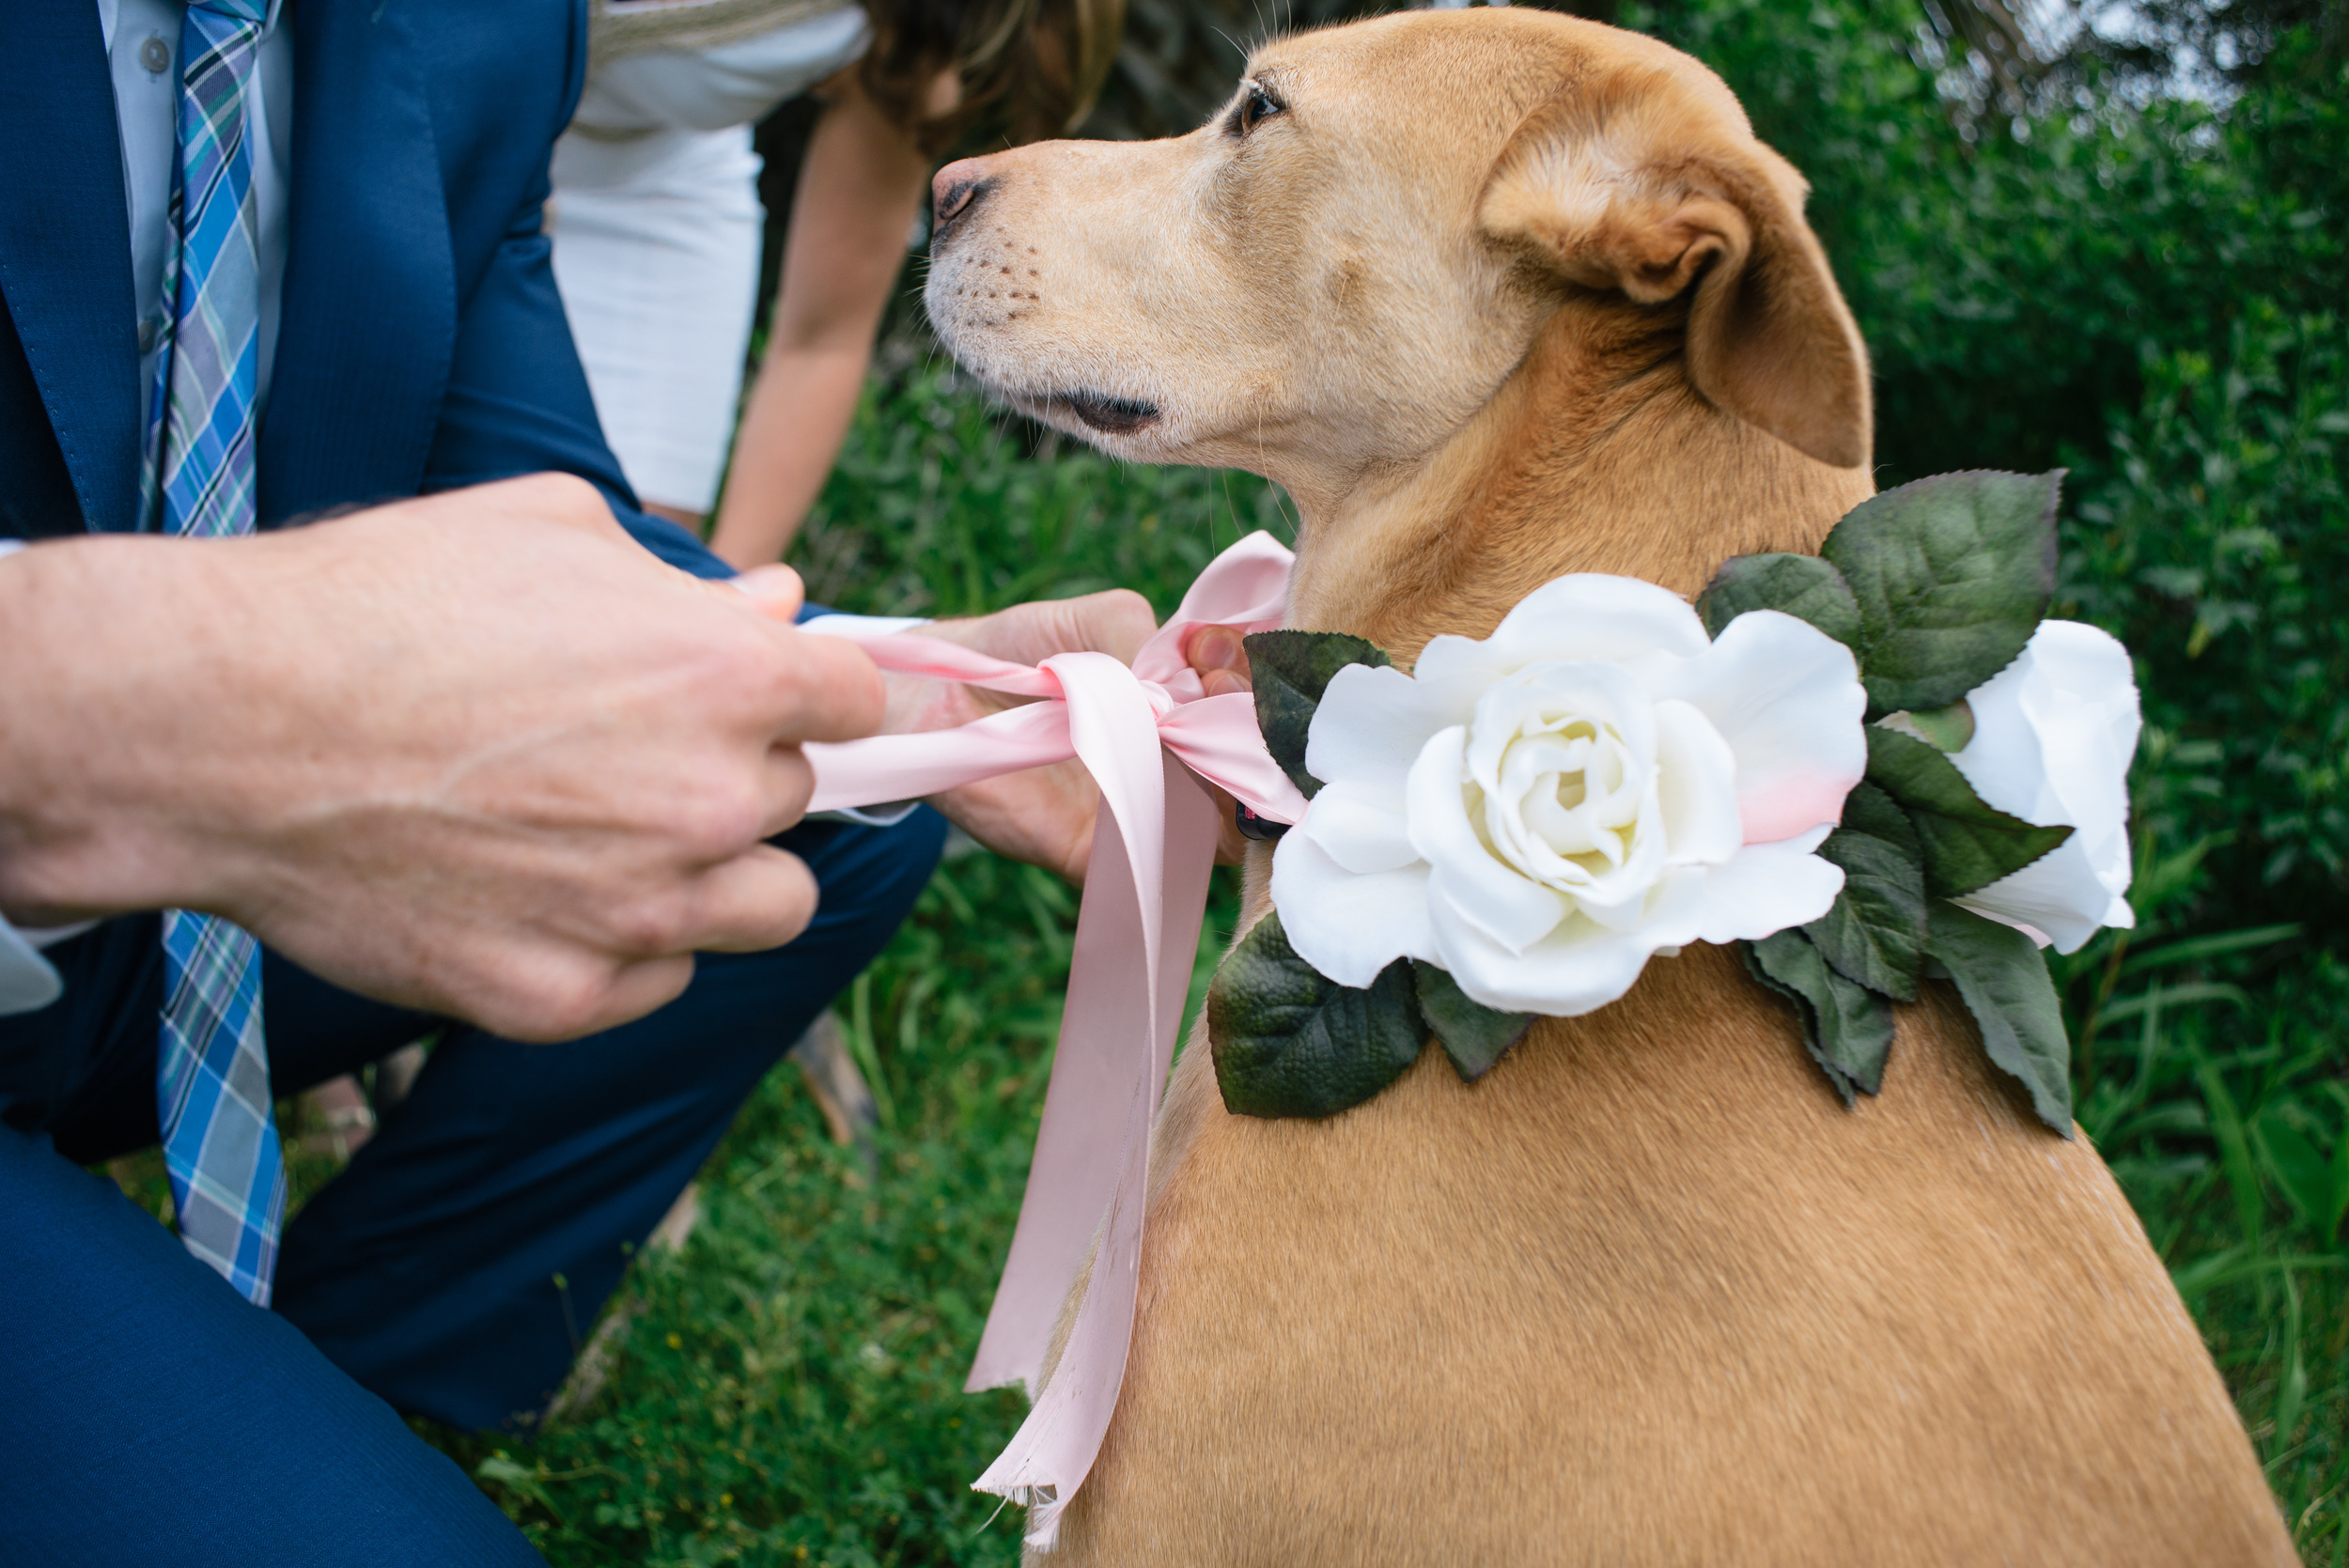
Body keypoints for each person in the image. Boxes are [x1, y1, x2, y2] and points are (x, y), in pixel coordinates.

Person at [0, 3, 1152, 1561]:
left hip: (137, 966)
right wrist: (193, 723)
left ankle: (362, 1365)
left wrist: (911, 685)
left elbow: (549, 507)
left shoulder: (475, 31)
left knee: (838, 801)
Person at [547, 0, 1119, 563]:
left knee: (634, 557)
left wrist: (734, 598)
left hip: (646, 177)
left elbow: (821, 341)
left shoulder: (921, 41)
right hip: (473, 121)